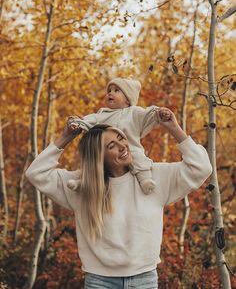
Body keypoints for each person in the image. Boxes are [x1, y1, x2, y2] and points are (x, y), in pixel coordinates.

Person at [25, 108, 212, 289]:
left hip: (144, 279)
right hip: (99, 281)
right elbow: (36, 173)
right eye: (111, 146)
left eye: (121, 138)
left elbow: (201, 168)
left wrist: (174, 128)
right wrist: (66, 137)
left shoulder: (152, 177)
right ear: (98, 157)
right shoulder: (81, 186)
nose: (122, 146)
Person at [67, 77, 164, 195]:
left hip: (130, 148)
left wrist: (157, 113)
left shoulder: (134, 112)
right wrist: (77, 123)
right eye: (109, 91)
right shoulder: (102, 114)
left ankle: (145, 180)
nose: (110, 93)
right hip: (108, 153)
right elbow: (88, 120)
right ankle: (83, 182)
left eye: (116, 90)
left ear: (128, 100)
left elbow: (146, 115)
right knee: (95, 162)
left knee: (139, 157)